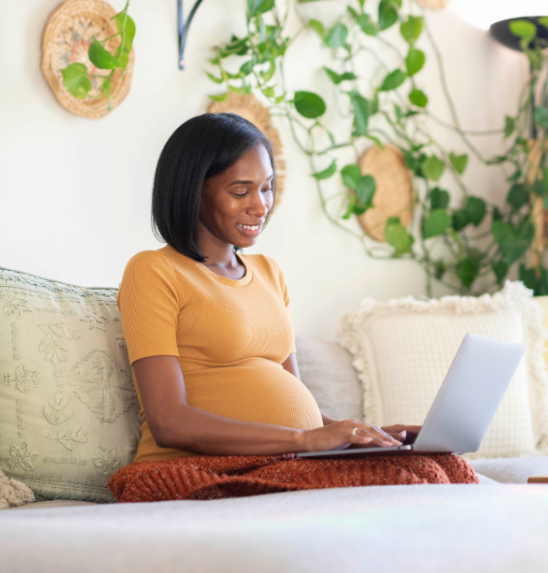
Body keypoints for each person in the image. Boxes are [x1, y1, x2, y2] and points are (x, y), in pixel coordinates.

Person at [117, 112, 420, 463]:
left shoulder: (269, 273)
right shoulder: (155, 271)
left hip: (285, 460)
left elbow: (304, 414)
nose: (260, 206)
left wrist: (367, 436)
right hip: (192, 470)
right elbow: (169, 422)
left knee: (422, 463)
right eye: (241, 191)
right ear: (194, 191)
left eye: (266, 188)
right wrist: (304, 440)